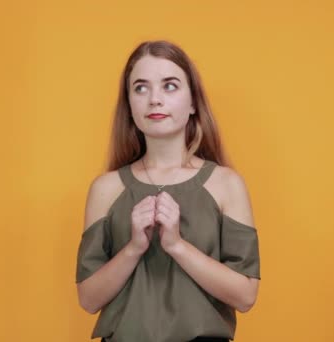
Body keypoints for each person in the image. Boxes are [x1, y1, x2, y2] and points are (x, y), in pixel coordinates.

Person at [76, 40, 260, 342]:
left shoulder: (226, 184)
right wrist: (134, 247)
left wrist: (176, 245)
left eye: (170, 86)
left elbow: (245, 296)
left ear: (192, 103)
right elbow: (88, 298)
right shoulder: (106, 189)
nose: (154, 100)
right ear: (129, 105)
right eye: (140, 88)